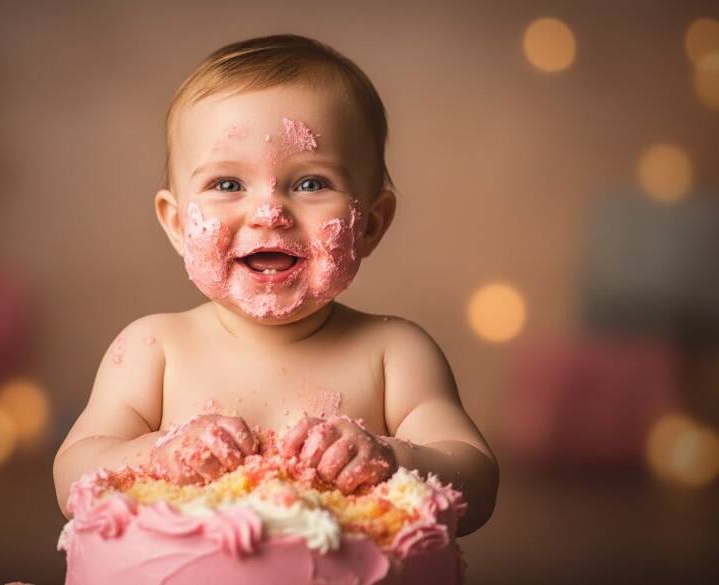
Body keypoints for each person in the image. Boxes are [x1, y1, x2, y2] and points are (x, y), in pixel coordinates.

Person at [53, 34, 498, 536]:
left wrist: (392, 458)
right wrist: (155, 453)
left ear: (371, 223)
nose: (269, 213)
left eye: (311, 183)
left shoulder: (395, 354)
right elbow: (71, 476)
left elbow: (477, 482)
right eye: (228, 184)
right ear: (176, 224)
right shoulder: (152, 350)